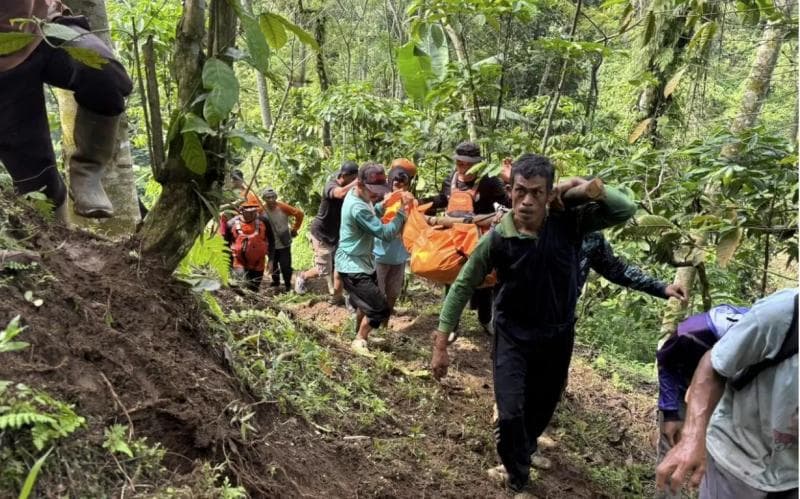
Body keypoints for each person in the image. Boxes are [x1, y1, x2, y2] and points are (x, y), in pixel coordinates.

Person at [429, 154, 637, 494]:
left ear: (549, 194)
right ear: (510, 191)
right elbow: (463, 285)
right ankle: (518, 477)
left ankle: (521, 454)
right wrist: (440, 345)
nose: (526, 201)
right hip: (513, 336)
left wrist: (577, 186)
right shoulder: (499, 238)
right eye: (520, 191)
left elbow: (624, 208)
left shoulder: (570, 223)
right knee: (510, 413)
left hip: (557, 336)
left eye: (537, 193)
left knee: (540, 410)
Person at [656, 288, 798, 499]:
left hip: (740, 395)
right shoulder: (699, 331)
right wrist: (672, 414)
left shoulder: (770, 350)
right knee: (674, 442)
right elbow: (668, 361)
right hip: (689, 381)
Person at [0, 0, 133, 221]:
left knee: (104, 75)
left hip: (43, 26)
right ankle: (60, 248)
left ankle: (87, 170)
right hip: (4, 74)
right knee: (39, 184)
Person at [653, 303, 749, 499]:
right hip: (684, 378)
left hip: (736, 392)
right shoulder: (693, 333)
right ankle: (667, 493)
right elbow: (667, 362)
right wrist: (671, 411)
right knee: (673, 437)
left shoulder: (773, 345)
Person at [425, 142, 510, 334]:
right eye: (459, 163)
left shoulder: (489, 182)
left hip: (479, 238)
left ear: (477, 164)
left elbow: (507, 202)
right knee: (451, 277)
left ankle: (486, 319)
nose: (462, 167)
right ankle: (450, 325)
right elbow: (443, 199)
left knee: (484, 280)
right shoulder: (451, 179)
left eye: (466, 164)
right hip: (454, 238)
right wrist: (423, 204)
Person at [336, 163, 413, 352]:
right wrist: (402, 211)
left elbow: (371, 214)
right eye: (373, 190)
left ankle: (360, 335)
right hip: (352, 266)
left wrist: (382, 205)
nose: (375, 194)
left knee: (368, 305)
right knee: (379, 309)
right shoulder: (357, 207)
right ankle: (359, 338)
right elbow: (385, 233)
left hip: (362, 261)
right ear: (359, 184)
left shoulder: (359, 197)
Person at [294, 161, 359, 304]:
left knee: (339, 266)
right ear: (345, 176)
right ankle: (303, 276)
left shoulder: (350, 188)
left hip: (337, 234)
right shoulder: (331, 185)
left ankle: (337, 296)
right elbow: (340, 193)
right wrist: (357, 183)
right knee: (324, 270)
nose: (355, 180)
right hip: (321, 234)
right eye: (354, 178)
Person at [373, 165, 414, 327]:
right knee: (377, 294)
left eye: (402, 184)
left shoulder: (411, 202)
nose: (399, 187)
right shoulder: (382, 202)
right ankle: (370, 327)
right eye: (396, 183)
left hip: (399, 257)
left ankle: (384, 325)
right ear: (390, 183)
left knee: (393, 294)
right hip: (380, 255)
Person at [261, 188, 304, 293]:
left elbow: (299, 214)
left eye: (273, 197)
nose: (271, 200)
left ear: (276, 197)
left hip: (283, 242)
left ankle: (288, 284)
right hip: (270, 244)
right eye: (268, 197)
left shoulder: (282, 207)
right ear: (264, 199)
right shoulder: (261, 210)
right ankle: (275, 283)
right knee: (273, 265)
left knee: (285, 265)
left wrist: (295, 229)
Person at [226, 197, 272, 291]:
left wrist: (271, 260)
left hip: (258, 264)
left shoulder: (264, 221)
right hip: (238, 263)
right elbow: (225, 245)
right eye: (249, 212)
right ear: (241, 211)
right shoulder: (231, 224)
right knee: (242, 287)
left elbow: (272, 241)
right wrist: (228, 264)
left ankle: (253, 304)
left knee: (254, 289)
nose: (252, 214)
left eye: (254, 211)